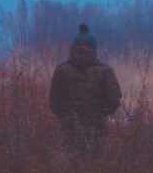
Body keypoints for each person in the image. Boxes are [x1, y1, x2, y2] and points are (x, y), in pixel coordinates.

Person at [49, 24, 122, 152]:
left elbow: (53, 101)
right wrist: (102, 114)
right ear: (94, 48)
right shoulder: (105, 71)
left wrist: (65, 117)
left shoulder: (61, 70)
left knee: (69, 168)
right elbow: (115, 98)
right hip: (97, 129)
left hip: (69, 131)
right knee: (96, 168)